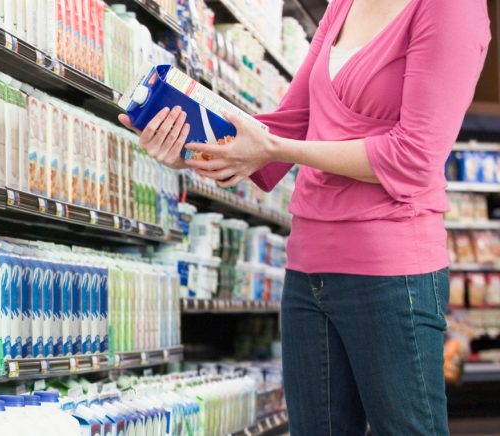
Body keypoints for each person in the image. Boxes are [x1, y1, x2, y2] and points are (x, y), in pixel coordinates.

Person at [121, 0, 490, 434]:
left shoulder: (451, 7)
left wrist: (278, 149)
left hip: (390, 272)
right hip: (306, 271)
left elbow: (415, 157)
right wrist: (193, 145)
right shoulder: (344, 5)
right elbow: (286, 125)